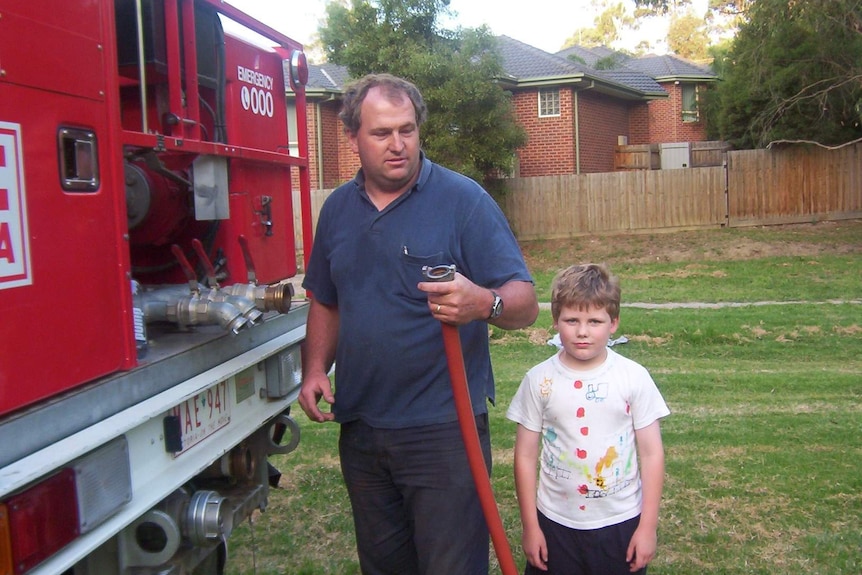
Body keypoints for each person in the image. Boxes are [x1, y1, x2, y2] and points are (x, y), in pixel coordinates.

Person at [298, 73, 539, 575]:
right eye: (382, 133)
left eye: (407, 130)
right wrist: (316, 367)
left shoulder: (461, 200)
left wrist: (485, 303)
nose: (397, 145)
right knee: (384, 566)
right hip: (362, 425)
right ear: (353, 138)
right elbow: (326, 299)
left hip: (444, 431)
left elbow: (526, 302)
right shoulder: (338, 210)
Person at [507, 263, 669, 575]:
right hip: (555, 523)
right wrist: (531, 526)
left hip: (619, 523)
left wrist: (647, 527)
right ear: (555, 321)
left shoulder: (633, 378)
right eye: (572, 320)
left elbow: (652, 454)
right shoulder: (538, 380)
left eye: (594, 321)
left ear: (614, 323)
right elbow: (525, 456)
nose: (582, 331)